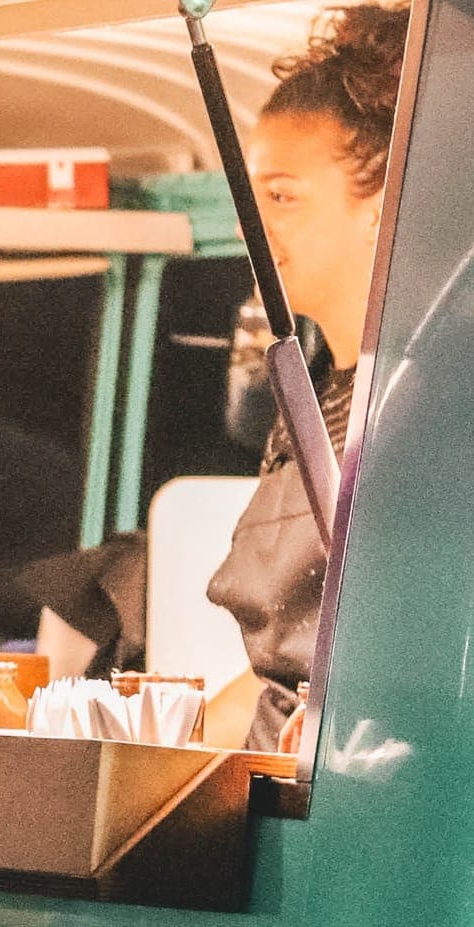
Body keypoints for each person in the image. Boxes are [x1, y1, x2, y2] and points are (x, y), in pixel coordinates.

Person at [207, 2, 409, 750]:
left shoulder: (432, 408)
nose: (249, 229)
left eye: (282, 197)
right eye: (250, 200)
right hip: (267, 805)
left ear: (382, 209)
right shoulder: (306, 398)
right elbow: (272, 687)